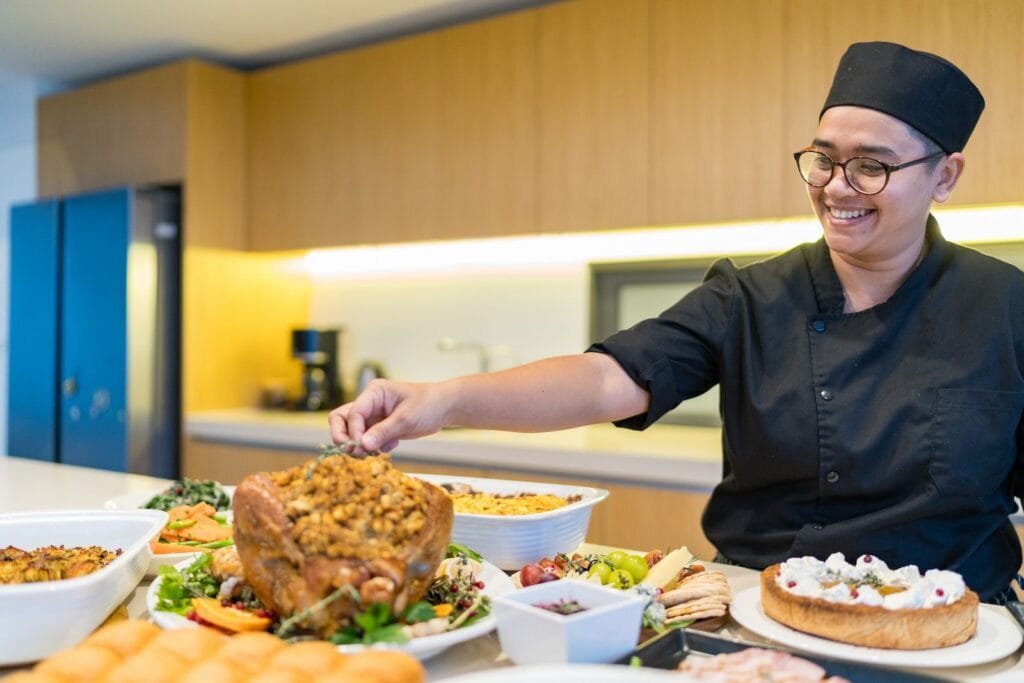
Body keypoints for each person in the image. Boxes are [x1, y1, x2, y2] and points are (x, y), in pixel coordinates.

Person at [329, 42, 1024, 603]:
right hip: (762, 605)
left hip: (958, 623)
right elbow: (608, 379)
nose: (837, 185)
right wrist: (444, 400)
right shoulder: (750, 297)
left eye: (872, 166)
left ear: (945, 175)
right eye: (824, 159)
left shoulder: (1005, 306)